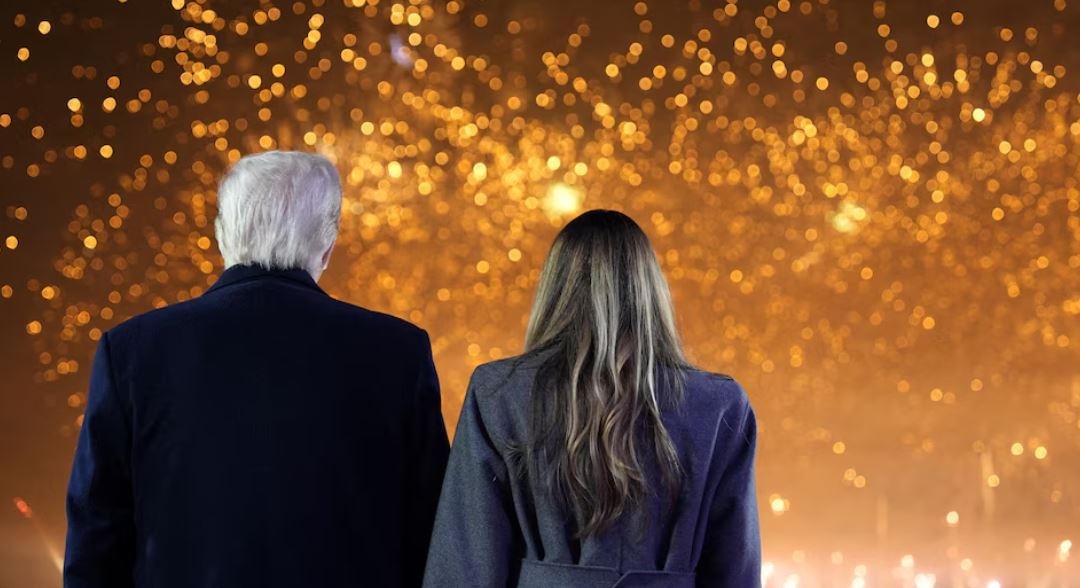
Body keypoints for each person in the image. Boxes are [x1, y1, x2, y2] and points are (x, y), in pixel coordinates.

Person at [64, 151, 449, 587]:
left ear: (221, 235)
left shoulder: (131, 350)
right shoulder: (399, 353)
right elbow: (437, 535)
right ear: (327, 245)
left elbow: (96, 536)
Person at [424, 209, 760, 587]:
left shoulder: (498, 391)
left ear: (555, 288)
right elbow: (735, 568)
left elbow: (466, 563)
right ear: (651, 289)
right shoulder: (719, 404)